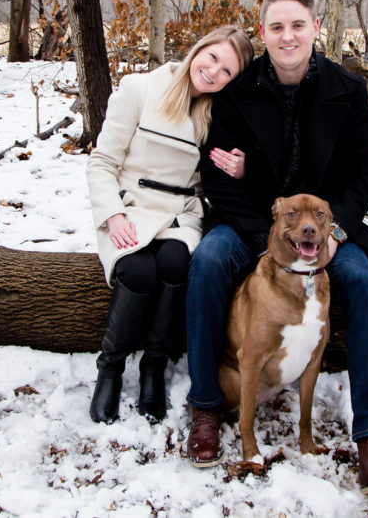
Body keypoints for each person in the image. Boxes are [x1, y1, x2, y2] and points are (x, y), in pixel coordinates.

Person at [184, 0, 368, 495]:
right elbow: (220, 180)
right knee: (208, 260)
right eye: (276, 27)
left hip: (327, 231)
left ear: (314, 28)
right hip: (256, 228)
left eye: (297, 25)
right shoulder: (236, 92)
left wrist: (335, 234)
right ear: (263, 33)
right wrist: (265, 244)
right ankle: (204, 406)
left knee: (360, 280)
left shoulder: (347, 90)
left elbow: (365, 175)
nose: (287, 36)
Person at [86, 25, 253, 424]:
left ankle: (154, 368)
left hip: (180, 213)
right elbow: (102, 162)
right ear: (200, 48)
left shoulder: (216, 115)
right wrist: (113, 214)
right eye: (213, 57)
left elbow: (219, 175)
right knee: (139, 271)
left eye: (227, 71)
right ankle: (109, 367)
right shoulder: (139, 89)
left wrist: (244, 169)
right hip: (131, 207)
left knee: (177, 264)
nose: (214, 72)